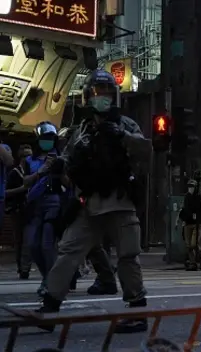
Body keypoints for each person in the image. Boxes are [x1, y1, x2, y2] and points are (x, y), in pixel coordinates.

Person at [33, 69, 151, 334]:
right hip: (89, 203)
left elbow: (146, 152)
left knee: (128, 257)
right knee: (68, 250)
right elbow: (70, 158)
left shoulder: (125, 125)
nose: (101, 99)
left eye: (106, 94)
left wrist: (120, 136)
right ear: (87, 98)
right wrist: (61, 165)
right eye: (96, 94)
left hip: (119, 202)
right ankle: (50, 305)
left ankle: (137, 311)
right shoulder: (83, 130)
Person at [24, 122, 64, 297]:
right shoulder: (29, 161)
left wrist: (57, 169)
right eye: (44, 138)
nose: (47, 141)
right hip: (35, 204)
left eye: (50, 138)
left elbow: (67, 182)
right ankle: (47, 276)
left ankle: (50, 282)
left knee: (47, 245)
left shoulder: (60, 158)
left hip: (54, 203)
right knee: (33, 245)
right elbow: (25, 182)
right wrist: (42, 170)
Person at [6, 144, 33, 279]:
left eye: (30, 156)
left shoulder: (35, 170)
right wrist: (22, 189)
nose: (28, 158)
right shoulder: (14, 173)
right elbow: (5, 192)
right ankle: (21, 267)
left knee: (29, 240)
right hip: (17, 209)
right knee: (19, 239)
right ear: (20, 157)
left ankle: (25, 267)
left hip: (31, 209)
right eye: (25, 156)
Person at [178, 179, 201, 271]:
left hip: (197, 223)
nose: (190, 188)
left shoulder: (199, 196)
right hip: (188, 222)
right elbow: (183, 209)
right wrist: (182, 219)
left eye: (192, 187)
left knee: (194, 243)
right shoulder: (186, 197)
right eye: (189, 187)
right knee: (188, 245)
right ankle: (193, 263)